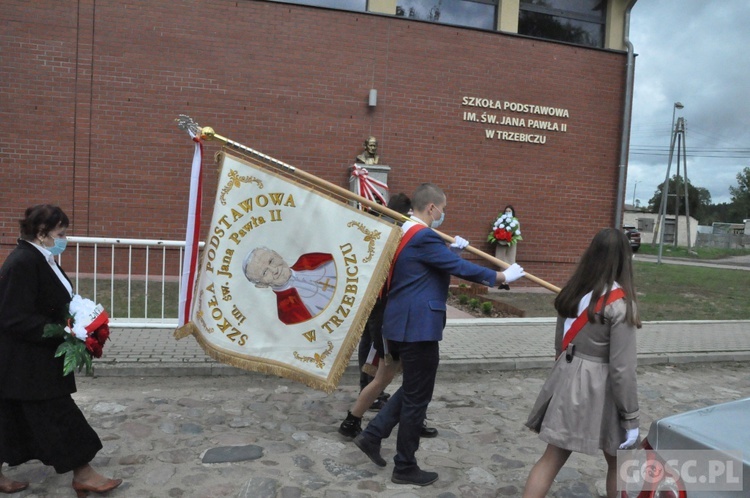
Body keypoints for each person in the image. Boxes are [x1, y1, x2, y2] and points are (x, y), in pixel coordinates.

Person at [353, 183, 525, 486]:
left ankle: (373, 435)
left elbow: (423, 267)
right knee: (418, 396)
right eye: (442, 209)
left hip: (400, 324)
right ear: (431, 207)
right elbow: (458, 268)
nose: (442, 215)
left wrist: (448, 249)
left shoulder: (406, 232)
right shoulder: (423, 235)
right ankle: (404, 465)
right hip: (416, 327)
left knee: (413, 389)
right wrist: (500, 277)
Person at [0, 204, 122, 496]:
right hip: (25, 362)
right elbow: (13, 316)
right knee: (58, 414)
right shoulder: (24, 262)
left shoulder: (43, 259)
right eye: (60, 233)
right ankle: (83, 473)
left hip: (33, 360)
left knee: (10, 418)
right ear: (42, 233)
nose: (64, 239)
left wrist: (79, 319)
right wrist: (63, 331)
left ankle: (81, 474)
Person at [522, 228, 642, 498]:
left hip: (567, 374)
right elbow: (622, 369)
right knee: (619, 460)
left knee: (552, 457)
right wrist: (631, 416)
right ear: (625, 259)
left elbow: (559, 343)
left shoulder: (574, 291)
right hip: (602, 384)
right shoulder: (621, 304)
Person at [341, 193, 437, 438]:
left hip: (390, 316)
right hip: (396, 319)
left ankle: (352, 421)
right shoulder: (400, 237)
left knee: (387, 375)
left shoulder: (393, 235)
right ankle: (407, 422)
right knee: (407, 376)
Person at [243, 248, 336, 325]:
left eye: (271, 261)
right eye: (264, 272)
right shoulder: (287, 313)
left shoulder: (308, 259)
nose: (275, 270)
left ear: (278, 255)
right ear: (261, 285)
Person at [494, 204, 520, 290]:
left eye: (509, 211)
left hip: (510, 244)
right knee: (501, 260)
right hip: (501, 243)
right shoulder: (500, 221)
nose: (508, 212)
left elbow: (517, 232)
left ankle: (506, 282)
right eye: (506, 211)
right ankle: (502, 281)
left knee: (509, 261)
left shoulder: (516, 222)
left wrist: (511, 237)